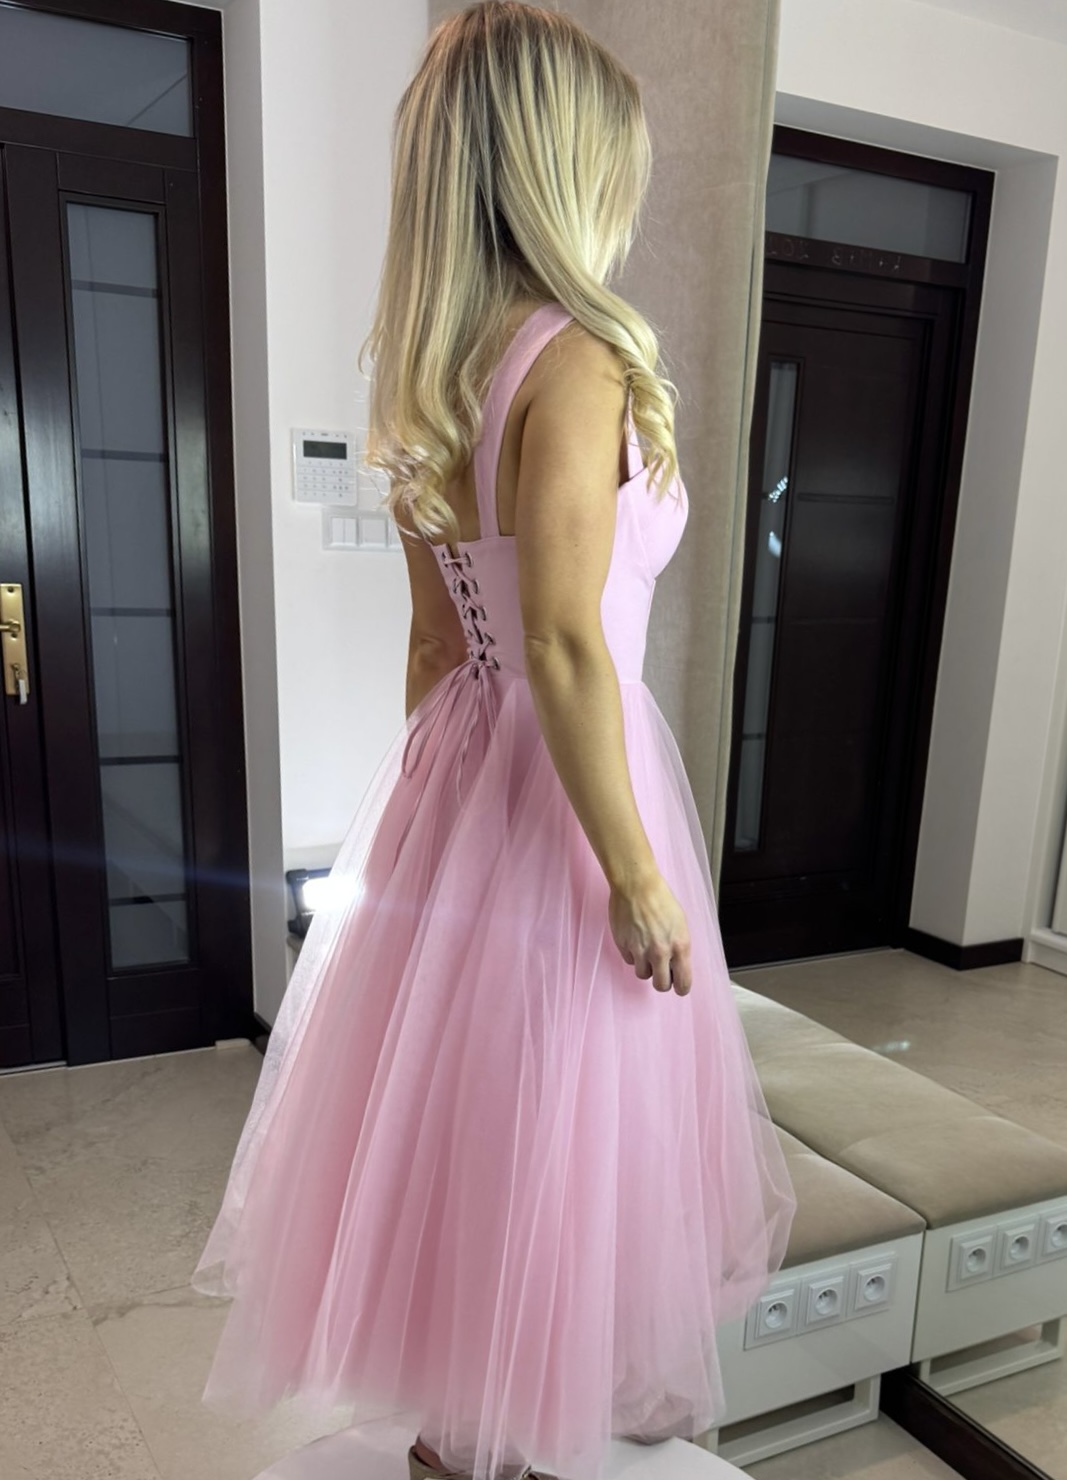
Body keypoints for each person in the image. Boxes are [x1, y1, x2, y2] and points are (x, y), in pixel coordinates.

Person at [190, 5, 797, 1480]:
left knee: (467, 1122)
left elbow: (435, 647)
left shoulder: (437, 373)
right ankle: (502, 1441)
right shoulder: (578, 361)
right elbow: (567, 641)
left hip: (467, 766)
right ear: (564, 167)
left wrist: (430, 821)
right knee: (558, 1125)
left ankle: (459, 1442)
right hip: (569, 782)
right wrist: (636, 872)